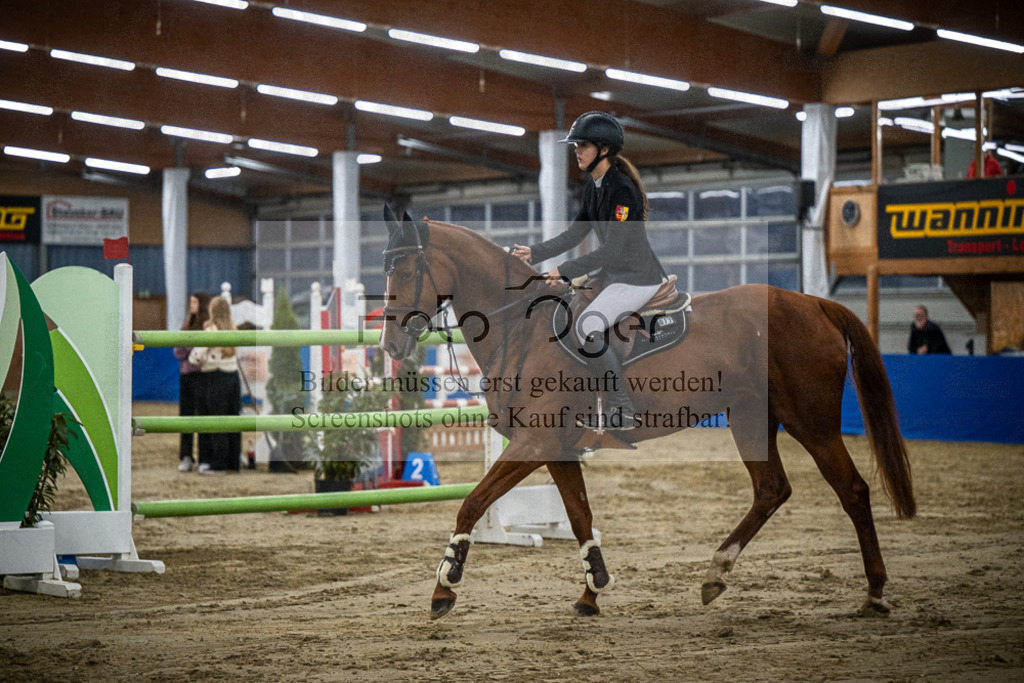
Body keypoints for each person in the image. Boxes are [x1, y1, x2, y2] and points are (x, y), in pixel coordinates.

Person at [512, 111, 666, 430]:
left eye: (582, 145)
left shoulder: (622, 191)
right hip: (614, 276)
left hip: (638, 278)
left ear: (604, 149)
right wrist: (535, 252)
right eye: (575, 146)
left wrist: (565, 270)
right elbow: (574, 234)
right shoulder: (594, 186)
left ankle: (622, 407)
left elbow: (612, 250)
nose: (577, 151)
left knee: (587, 326)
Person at [190, 297, 242, 473]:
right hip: (233, 377)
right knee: (233, 421)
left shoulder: (211, 330)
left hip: (215, 377)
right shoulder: (234, 330)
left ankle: (218, 464)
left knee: (216, 422)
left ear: (213, 312)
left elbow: (196, 356)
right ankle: (233, 463)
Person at [173, 292, 211, 472]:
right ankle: (186, 456)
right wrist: (192, 349)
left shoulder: (207, 326)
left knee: (203, 417)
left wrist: (190, 350)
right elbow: (177, 351)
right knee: (186, 417)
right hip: (186, 376)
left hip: (202, 376)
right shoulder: (186, 325)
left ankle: (204, 457)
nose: (192, 305)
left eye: (195, 302)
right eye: (191, 302)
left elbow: (203, 354)